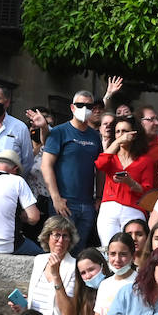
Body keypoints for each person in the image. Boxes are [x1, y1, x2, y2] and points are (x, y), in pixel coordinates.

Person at [41, 90, 103, 247]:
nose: (84, 108)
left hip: (87, 204)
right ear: (72, 107)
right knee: (59, 250)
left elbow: (100, 168)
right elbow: (46, 165)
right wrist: (55, 198)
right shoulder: (59, 132)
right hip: (64, 203)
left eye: (88, 106)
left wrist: (99, 197)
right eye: (80, 105)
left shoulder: (95, 136)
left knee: (79, 254)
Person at [94, 117, 155, 247]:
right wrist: (116, 143)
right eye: (118, 131)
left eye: (124, 131)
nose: (121, 135)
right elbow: (99, 164)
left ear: (133, 134)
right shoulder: (111, 156)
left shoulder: (145, 160)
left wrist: (130, 182)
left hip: (133, 209)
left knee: (133, 250)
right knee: (109, 248)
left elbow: (147, 191)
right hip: (109, 208)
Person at [25, 216, 80, 315]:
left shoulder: (74, 266)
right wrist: (22, 304)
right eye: (56, 235)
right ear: (47, 237)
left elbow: (67, 312)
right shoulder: (39, 260)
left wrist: (56, 276)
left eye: (65, 236)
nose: (60, 240)